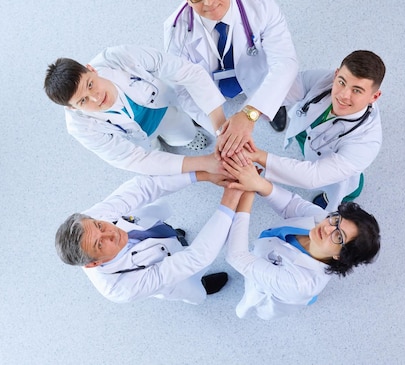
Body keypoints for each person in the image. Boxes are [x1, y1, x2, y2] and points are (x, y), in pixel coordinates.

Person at [164, 0, 299, 158]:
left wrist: (251, 113)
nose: (208, 2)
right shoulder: (176, 31)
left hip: (258, 78)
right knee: (200, 105)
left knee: (271, 98)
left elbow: (285, 63)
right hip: (210, 86)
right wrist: (222, 131)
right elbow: (183, 89)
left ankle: (270, 107)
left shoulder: (261, 6)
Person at [222, 158, 380, 320]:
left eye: (338, 236)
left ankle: (307, 297)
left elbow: (237, 257)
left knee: (263, 293)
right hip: (286, 269)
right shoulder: (326, 221)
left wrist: (247, 194)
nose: (327, 228)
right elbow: (291, 205)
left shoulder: (298, 283)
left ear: (340, 256)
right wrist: (257, 183)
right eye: (337, 220)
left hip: (280, 291)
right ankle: (310, 297)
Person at [55, 171, 244, 304]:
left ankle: (173, 237)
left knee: (172, 235)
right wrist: (230, 200)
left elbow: (144, 187)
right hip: (172, 277)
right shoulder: (121, 288)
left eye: (100, 226)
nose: (111, 232)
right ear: (93, 264)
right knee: (193, 285)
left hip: (152, 230)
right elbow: (195, 258)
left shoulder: (88, 223)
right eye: (100, 244)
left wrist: (203, 174)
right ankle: (202, 284)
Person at [44, 45, 228, 175]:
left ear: (91, 69)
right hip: (138, 138)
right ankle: (156, 146)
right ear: (72, 107)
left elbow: (187, 72)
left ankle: (186, 138)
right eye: (83, 101)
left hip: (162, 111)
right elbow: (134, 160)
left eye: (90, 85)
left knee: (185, 133)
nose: (96, 97)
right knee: (153, 153)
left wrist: (221, 128)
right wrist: (203, 163)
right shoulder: (80, 128)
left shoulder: (119, 58)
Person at [241, 50, 386, 210]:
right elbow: (281, 90)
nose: (343, 95)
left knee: (344, 186)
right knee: (306, 146)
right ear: (336, 74)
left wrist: (257, 155)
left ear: (374, 96)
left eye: (357, 90)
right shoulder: (324, 79)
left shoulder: (366, 142)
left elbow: (313, 176)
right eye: (342, 82)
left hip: (333, 166)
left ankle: (338, 198)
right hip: (308, 132)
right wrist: (247, 116)